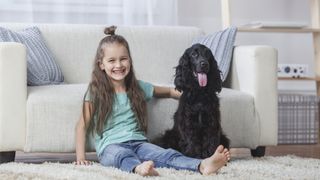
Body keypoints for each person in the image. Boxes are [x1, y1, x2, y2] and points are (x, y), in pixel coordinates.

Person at [74, 25, 231, 176]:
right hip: (111, 146)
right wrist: (81, 158)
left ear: (130, 60)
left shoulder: (138, 88)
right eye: (112, 61)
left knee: (168, 155)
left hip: (139, 143)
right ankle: (137, 168)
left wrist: (196, 93)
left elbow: (169, 91)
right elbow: (81, 126)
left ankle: (202, 165)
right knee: (121, 156)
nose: (119, 65)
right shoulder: (95, 92)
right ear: (101, 65)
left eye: (123, 59)